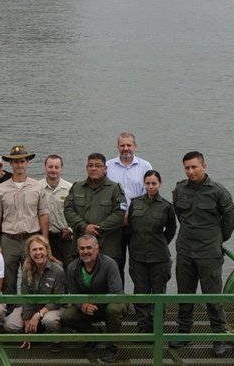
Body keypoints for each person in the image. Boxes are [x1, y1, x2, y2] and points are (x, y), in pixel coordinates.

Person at [171, 151, 234, 356]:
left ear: (204, 166)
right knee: (185, 294)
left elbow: (230, 221)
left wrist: (216, 240)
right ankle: (184, 333)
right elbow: (180, 215)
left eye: (194, 167)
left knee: (213, 296)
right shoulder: (179, 189)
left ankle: (219, 337)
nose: (190, 171)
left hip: (209, 252)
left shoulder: (218, 192)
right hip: (185, 251)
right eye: (187, 168)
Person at [0, 144, 49, 295]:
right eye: (16, 162)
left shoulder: (37, 187)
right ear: (11, 163)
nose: (19, 165)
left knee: (31, 276)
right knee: (8, 279)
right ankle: (10, 311)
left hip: (31, 237)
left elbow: (43, 214)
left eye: (22, 161)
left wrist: (44, 239)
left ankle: (28, 312)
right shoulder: (1, 188)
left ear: (27, 162)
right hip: (8, 239)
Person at [61, 234, 126, 363]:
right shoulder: (72, 267)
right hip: (87, 307)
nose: (85, 252)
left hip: (110, 304)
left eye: (89, 248)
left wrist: (94, 302)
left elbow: (116, 291)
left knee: (113, 309)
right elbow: (73, 294)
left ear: (97, 249)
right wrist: (82, 305)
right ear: (78, 250)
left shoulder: (109, 264)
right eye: (82, 248)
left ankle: (112, 348)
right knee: (66, 317)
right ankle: (95, 333)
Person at [128, 169, 176, 333]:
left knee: (158, 293)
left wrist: (160, 243)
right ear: (144, 184)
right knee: (140, 292)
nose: (150, 186)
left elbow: (170, 230)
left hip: (159, 257)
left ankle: (157, 326)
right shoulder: (135, 203)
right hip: (138, 256)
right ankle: (143, 326)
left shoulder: (166, 207)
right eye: (148, 183)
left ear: (160, 184)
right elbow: (130, 228)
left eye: (154, 183)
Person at [4, 234, 66, 348]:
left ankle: (56, 341)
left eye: (41, 249)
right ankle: (34, 332)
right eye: (34, 250)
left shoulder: (58, 270)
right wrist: (27, 319)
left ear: (47, 250)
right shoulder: (26, 269)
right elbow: (26, 296)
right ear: (29, 253)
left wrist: (38, 315)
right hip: (33, 307)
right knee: (10, 324)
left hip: (52, 308)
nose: (38, 253)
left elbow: (58, 299)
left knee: (49, 321)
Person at [63, 153, 125, 263]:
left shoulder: (115, 189)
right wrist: (84, 227)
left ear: (105, 168)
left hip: (107, 248)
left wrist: (96, 229)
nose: (93, 168)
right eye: (90, 166)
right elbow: (68, 210)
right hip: (81, 248)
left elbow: (119, 214)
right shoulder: (77, 187)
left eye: (98, 166)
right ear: (86, 168)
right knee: (79, 279)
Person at [107, 132, 152, 277]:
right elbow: (106, 194)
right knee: (115, 263)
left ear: (135, 146)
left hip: (137, 222)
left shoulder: (145, 166)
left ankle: (139, 299)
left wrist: (130, 215)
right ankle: (118, 297)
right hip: (115, 224)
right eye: (122, 145)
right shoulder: (108, 166)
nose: (126, 148)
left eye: (129, 145)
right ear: (117, 147)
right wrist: (119, 216)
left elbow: (148, 194)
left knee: (138, 263)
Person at [41, 154, 75, 264]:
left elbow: (77, 212)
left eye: (57, 167)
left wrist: (71, 230)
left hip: (63, 237)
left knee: (67, 268)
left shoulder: (70, 188)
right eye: (50, 167)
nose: (53, 170)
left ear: (61, 168)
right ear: (45, 167)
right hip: (42, 236)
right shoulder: (36, 187)